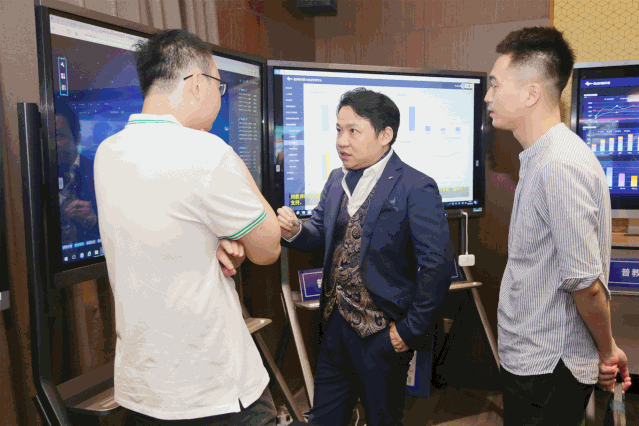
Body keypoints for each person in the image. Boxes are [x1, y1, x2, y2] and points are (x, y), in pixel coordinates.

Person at [94, 29, 281, 425]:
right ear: (197, 84)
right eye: (219, 87)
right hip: (213, 388)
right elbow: (268, 248)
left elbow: (167, 231)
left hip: (143, 389)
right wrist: (232, 161)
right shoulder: (207, 152)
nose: (219, 97)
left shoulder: (107, 153)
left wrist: (212, 241)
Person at [278, 87, 456, 426]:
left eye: (353, 131)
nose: (341, 141)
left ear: (385, 135)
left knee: (382, 420)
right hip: (333, 326)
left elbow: (438, 266)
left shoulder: (416, 186)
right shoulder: (336, 179)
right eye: (338, 130)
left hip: (382, 334)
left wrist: (407, 331)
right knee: (325, 418)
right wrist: (295, 231)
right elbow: (319, 232)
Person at [485, 26, 632, 425]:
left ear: (531, 93)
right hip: (536, 361)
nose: (488, 97)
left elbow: (585, 284)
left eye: (496, 85)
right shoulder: (542, 157)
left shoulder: (558, 165)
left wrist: (607, 351)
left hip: (548, 368)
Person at [55, 105, 100, 261]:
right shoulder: (37, 175)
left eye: (59, 136)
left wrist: (94, 222)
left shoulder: (100, 171)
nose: (52, 143)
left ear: (77, 138)